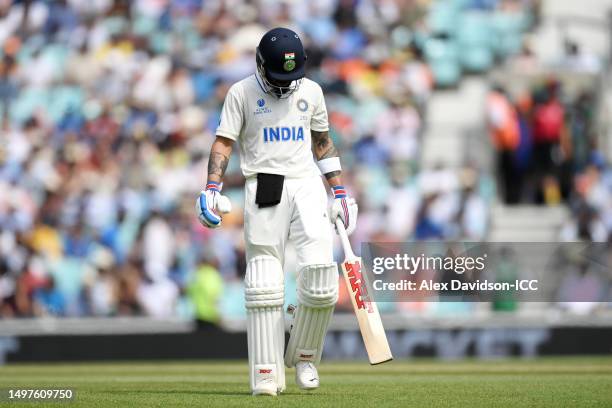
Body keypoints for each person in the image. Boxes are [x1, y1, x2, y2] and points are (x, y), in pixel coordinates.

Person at [196, 27, 358, 396]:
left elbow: (322, 141)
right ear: (259, 64)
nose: (285, 86)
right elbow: (223, 142)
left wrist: (340, 191)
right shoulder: (241, 93)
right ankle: (266, 371)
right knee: (264, 281)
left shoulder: (312, 91)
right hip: (265, 183)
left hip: (306, 183)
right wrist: (212, 186)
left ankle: (304, 356)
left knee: (321, 278)